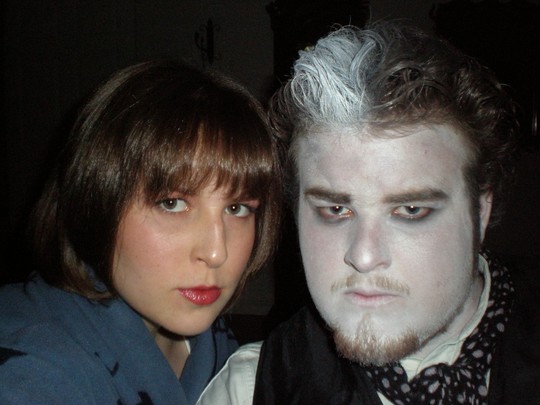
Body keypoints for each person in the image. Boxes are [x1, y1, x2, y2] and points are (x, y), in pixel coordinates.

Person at [197, 21, 540, 404]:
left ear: (479, 211)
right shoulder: (251, 389)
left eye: (410, 209)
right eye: (335, 209)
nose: (363, 256)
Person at [0, 59, 282, 404]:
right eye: (172, 204)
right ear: (95, 201)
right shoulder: (32, 371)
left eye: (237, 209)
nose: (215, 252)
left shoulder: (207, 336)